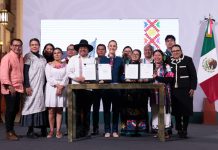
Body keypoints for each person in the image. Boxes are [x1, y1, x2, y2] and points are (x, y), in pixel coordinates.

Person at [67, 39, 95, 137]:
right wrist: (77, 78)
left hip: (89, 88)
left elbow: (95, 73)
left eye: (85, 48)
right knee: (77, 111)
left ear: (88, 49)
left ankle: (86, 130)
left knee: (87, 111)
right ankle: (78, 131)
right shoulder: (73, 59)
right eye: (81, 47)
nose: (83, 49)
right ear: (78, 49)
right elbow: (69, 72)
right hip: (76, 87)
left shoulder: (92, 59)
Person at [21, 38, 47, 138]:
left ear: (39, 45)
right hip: (31, 85)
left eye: (36, 44)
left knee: (39, 106)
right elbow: (25, 72)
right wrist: (27, 85)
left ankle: (39, 129)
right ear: (30, 46)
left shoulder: (42, 58)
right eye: (32, 45)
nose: (34, 46)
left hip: (40, 85)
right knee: (30, 105)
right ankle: (30, 130)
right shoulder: (28, 57)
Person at [170, 44, 197, 138]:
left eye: (177, 50)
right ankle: (179, 129)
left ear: (181, 51)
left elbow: (193, 75)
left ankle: (184, 129)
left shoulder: (188, 60)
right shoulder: (169, 61)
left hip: (186, 89)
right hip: (174, 90)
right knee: (176, 111)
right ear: (171, 52)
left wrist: (193, 88)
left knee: (186, 110)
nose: (175, 52)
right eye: (173, 51)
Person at [121, 49, 149, 136]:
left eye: (137, 54)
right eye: (134, 53)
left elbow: (149, 77)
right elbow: (121, 77)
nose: (135, 55)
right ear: (131, 55)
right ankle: (130, 129)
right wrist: (126, 79)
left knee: (141, 110)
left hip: (141, 92)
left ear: (140, 56)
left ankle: (141, 130)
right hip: (129, 92)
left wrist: (144, 79)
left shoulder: (144, 66)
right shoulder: (126, 65)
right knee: (129, 110)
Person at [0, 39, 24, 140]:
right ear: (11, 46)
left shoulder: (20, 57)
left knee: (15, 109)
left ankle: (12, 130)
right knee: (10, 110)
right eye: (15, 45)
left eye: (19, 46)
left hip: (18, 87)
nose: (17, 47)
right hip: (10, 88)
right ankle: (9, 132)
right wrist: (9, 86)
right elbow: (3, 73)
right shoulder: (7, 57)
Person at [45, 47, 68, 139]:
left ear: (62, 54)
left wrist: (61, 86)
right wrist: (57, 85)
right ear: (53, 55)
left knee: (59, 110)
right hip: (51, 88)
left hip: (62, 88)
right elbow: (49, 77)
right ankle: (51, 130)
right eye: (55, 53)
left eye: (59, 53)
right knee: (51, 110)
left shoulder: (66, 65)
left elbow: (67, 76)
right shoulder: (49, 65)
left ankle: (58, 130)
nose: (57, 54)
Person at [151, 49, 174, 139]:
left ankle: (165, 131)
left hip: (164, 93)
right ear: (153, 57)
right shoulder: (150, 66)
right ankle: (158, 131)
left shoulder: (166, 66)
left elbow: (169, 79)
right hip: (153, 93)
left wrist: (157, 77)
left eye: (159, 55)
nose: (157, 57)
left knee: (164, 111)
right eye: (155, 55)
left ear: (162, 57)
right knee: (155, 111)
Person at [102, 40, 123, 138]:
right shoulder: (102, 59)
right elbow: (99, 73)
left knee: (116, 110)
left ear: (116, 47)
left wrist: (127, 79)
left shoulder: (120, 60)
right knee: (106, 110)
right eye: (110, 46)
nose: (112, 47)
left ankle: (114, 130)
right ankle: (107, 130)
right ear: (108, 47)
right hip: (105, 88)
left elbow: (122, 74)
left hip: (117, 88)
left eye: (114, 46)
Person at [91, 44, 107, 135]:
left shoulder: (108, 60)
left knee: (106, 108)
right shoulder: (93, 60)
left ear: (105, 51)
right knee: (95, 108)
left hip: (105, 87)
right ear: (96, 51)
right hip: (95, 86)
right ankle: (95, 128)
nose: (101, 51)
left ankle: (106, 129)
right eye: (99, 49)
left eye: (102, 49)